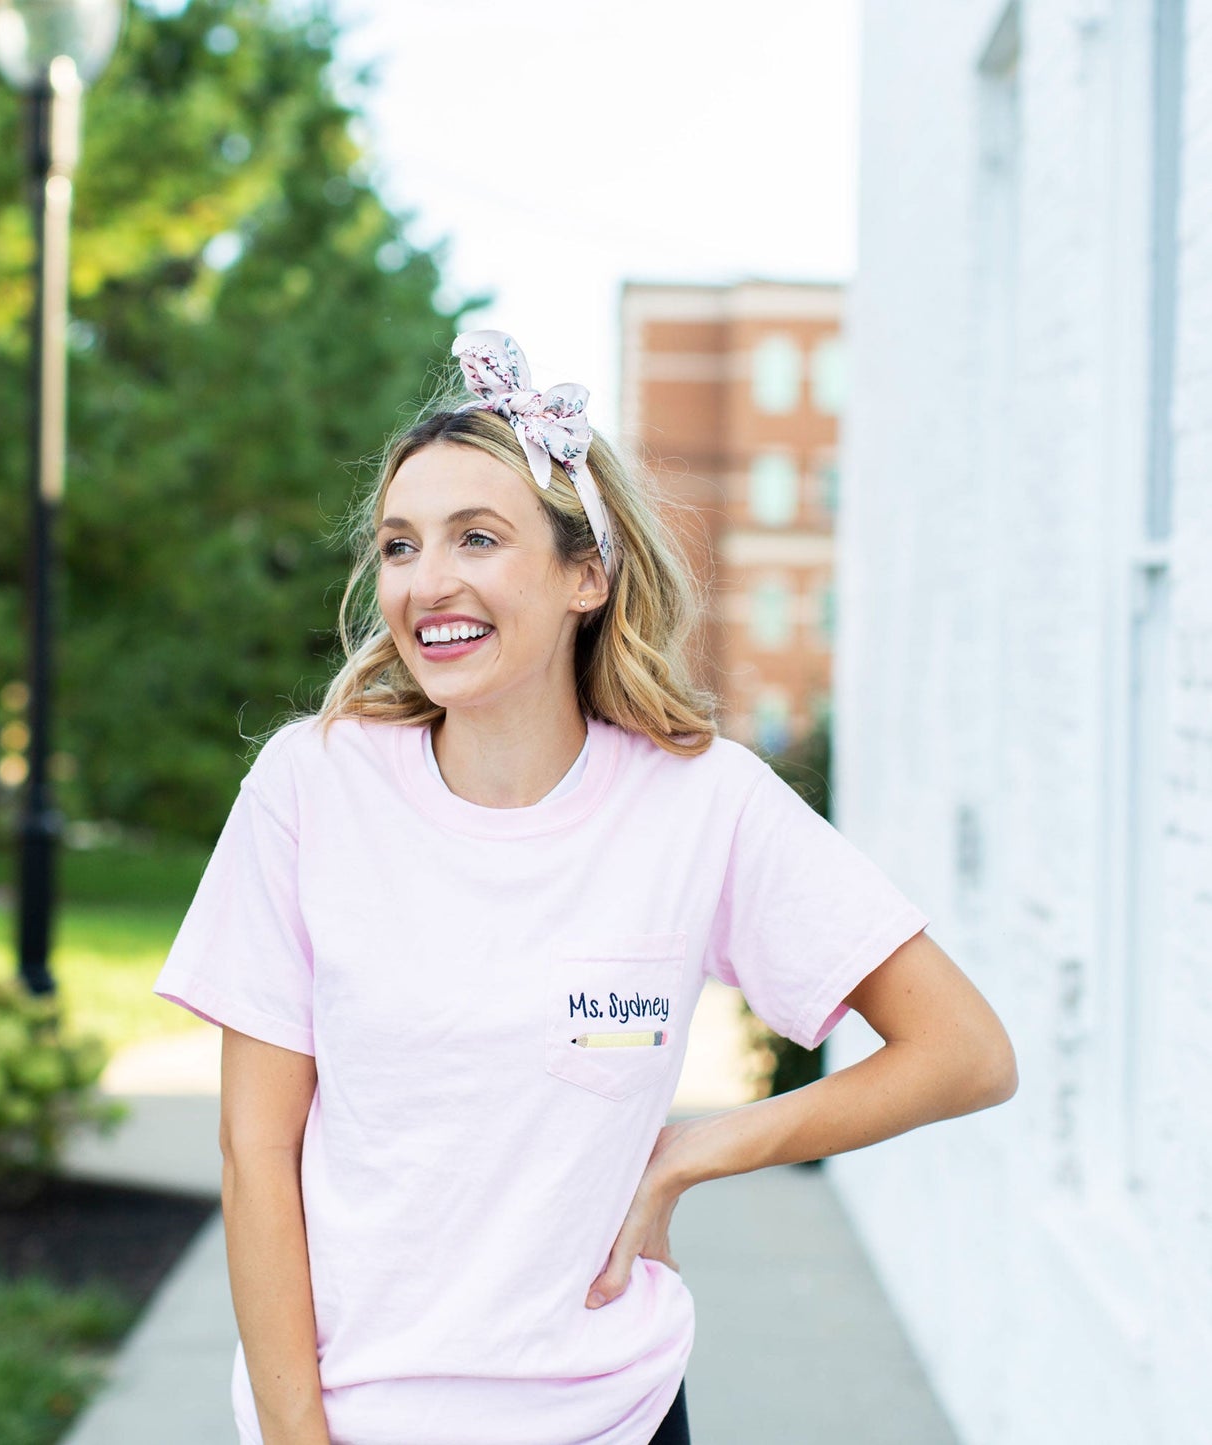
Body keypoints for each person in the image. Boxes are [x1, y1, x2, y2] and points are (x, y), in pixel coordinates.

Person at [152, 330, 1018, 1445]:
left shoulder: (702, 804)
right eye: (400, 545)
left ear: (584, 575)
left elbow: (962, 1050)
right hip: (360, 1420)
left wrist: (695, 1150)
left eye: (477, 537)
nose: (429, 581)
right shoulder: (311, 785)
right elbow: (254, 1150)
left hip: (613, 1412)